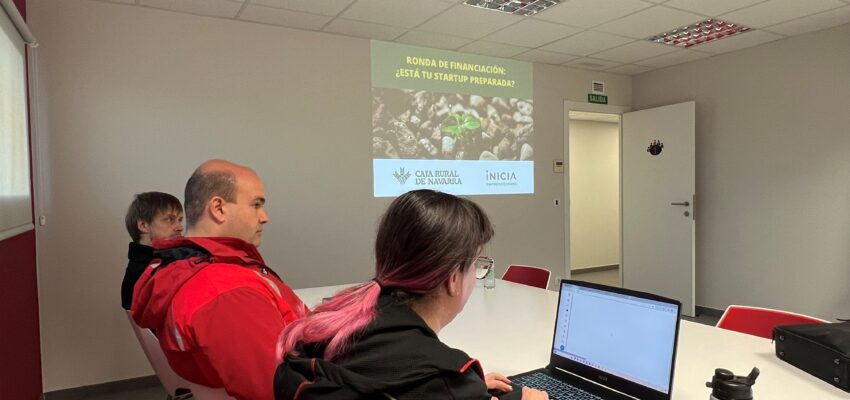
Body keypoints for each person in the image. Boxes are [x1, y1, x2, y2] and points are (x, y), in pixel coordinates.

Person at [273, 189, 548, 400]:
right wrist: (457, 389)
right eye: (476, 264)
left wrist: (466, 389)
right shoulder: (439, 376)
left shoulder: (336, 326)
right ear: (453, 279)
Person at [132, 159, 307, 400]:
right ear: (219, 208)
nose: (264, 217)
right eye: (256, 205)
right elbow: (277, 389)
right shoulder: (225, 292)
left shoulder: (192, 270)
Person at [121, 191, 183, 310]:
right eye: (170, 219)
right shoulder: (143, 275)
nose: (180, 227)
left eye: (180, 220)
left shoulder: (166, 262)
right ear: (143, 225)